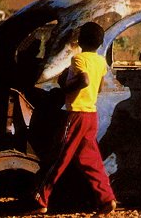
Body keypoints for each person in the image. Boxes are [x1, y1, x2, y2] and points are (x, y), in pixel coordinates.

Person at [32, 22, 116, 215]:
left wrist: (65, 89)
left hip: (76, 113)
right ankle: (107, 198)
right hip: (90, 114)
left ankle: (41, 199)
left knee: (59, 156)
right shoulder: (101, 62)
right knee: (91, 160)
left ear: (79, 41)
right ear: (100, 43)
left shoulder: (78, 59)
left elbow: (84, 80)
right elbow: (98, 87)